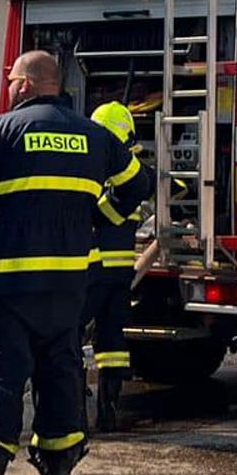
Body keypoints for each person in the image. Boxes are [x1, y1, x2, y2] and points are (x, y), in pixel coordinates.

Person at [0, 49, 130, 475]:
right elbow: (136, 185)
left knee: (3, 380)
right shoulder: (95, 137)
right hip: (67, 288)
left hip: (4, 287)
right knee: (61, 377)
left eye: (11, 80)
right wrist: (97, 214)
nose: (7, 88)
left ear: (24, 85)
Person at [82, 101, 151, 433]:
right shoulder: (135, 170)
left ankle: (74, 404)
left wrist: (92, 215)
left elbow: (95, 213)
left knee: (69, 334)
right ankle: (108, 411)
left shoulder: (94, 165)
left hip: (91, 269)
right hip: (121, 273)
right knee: (112, 342)